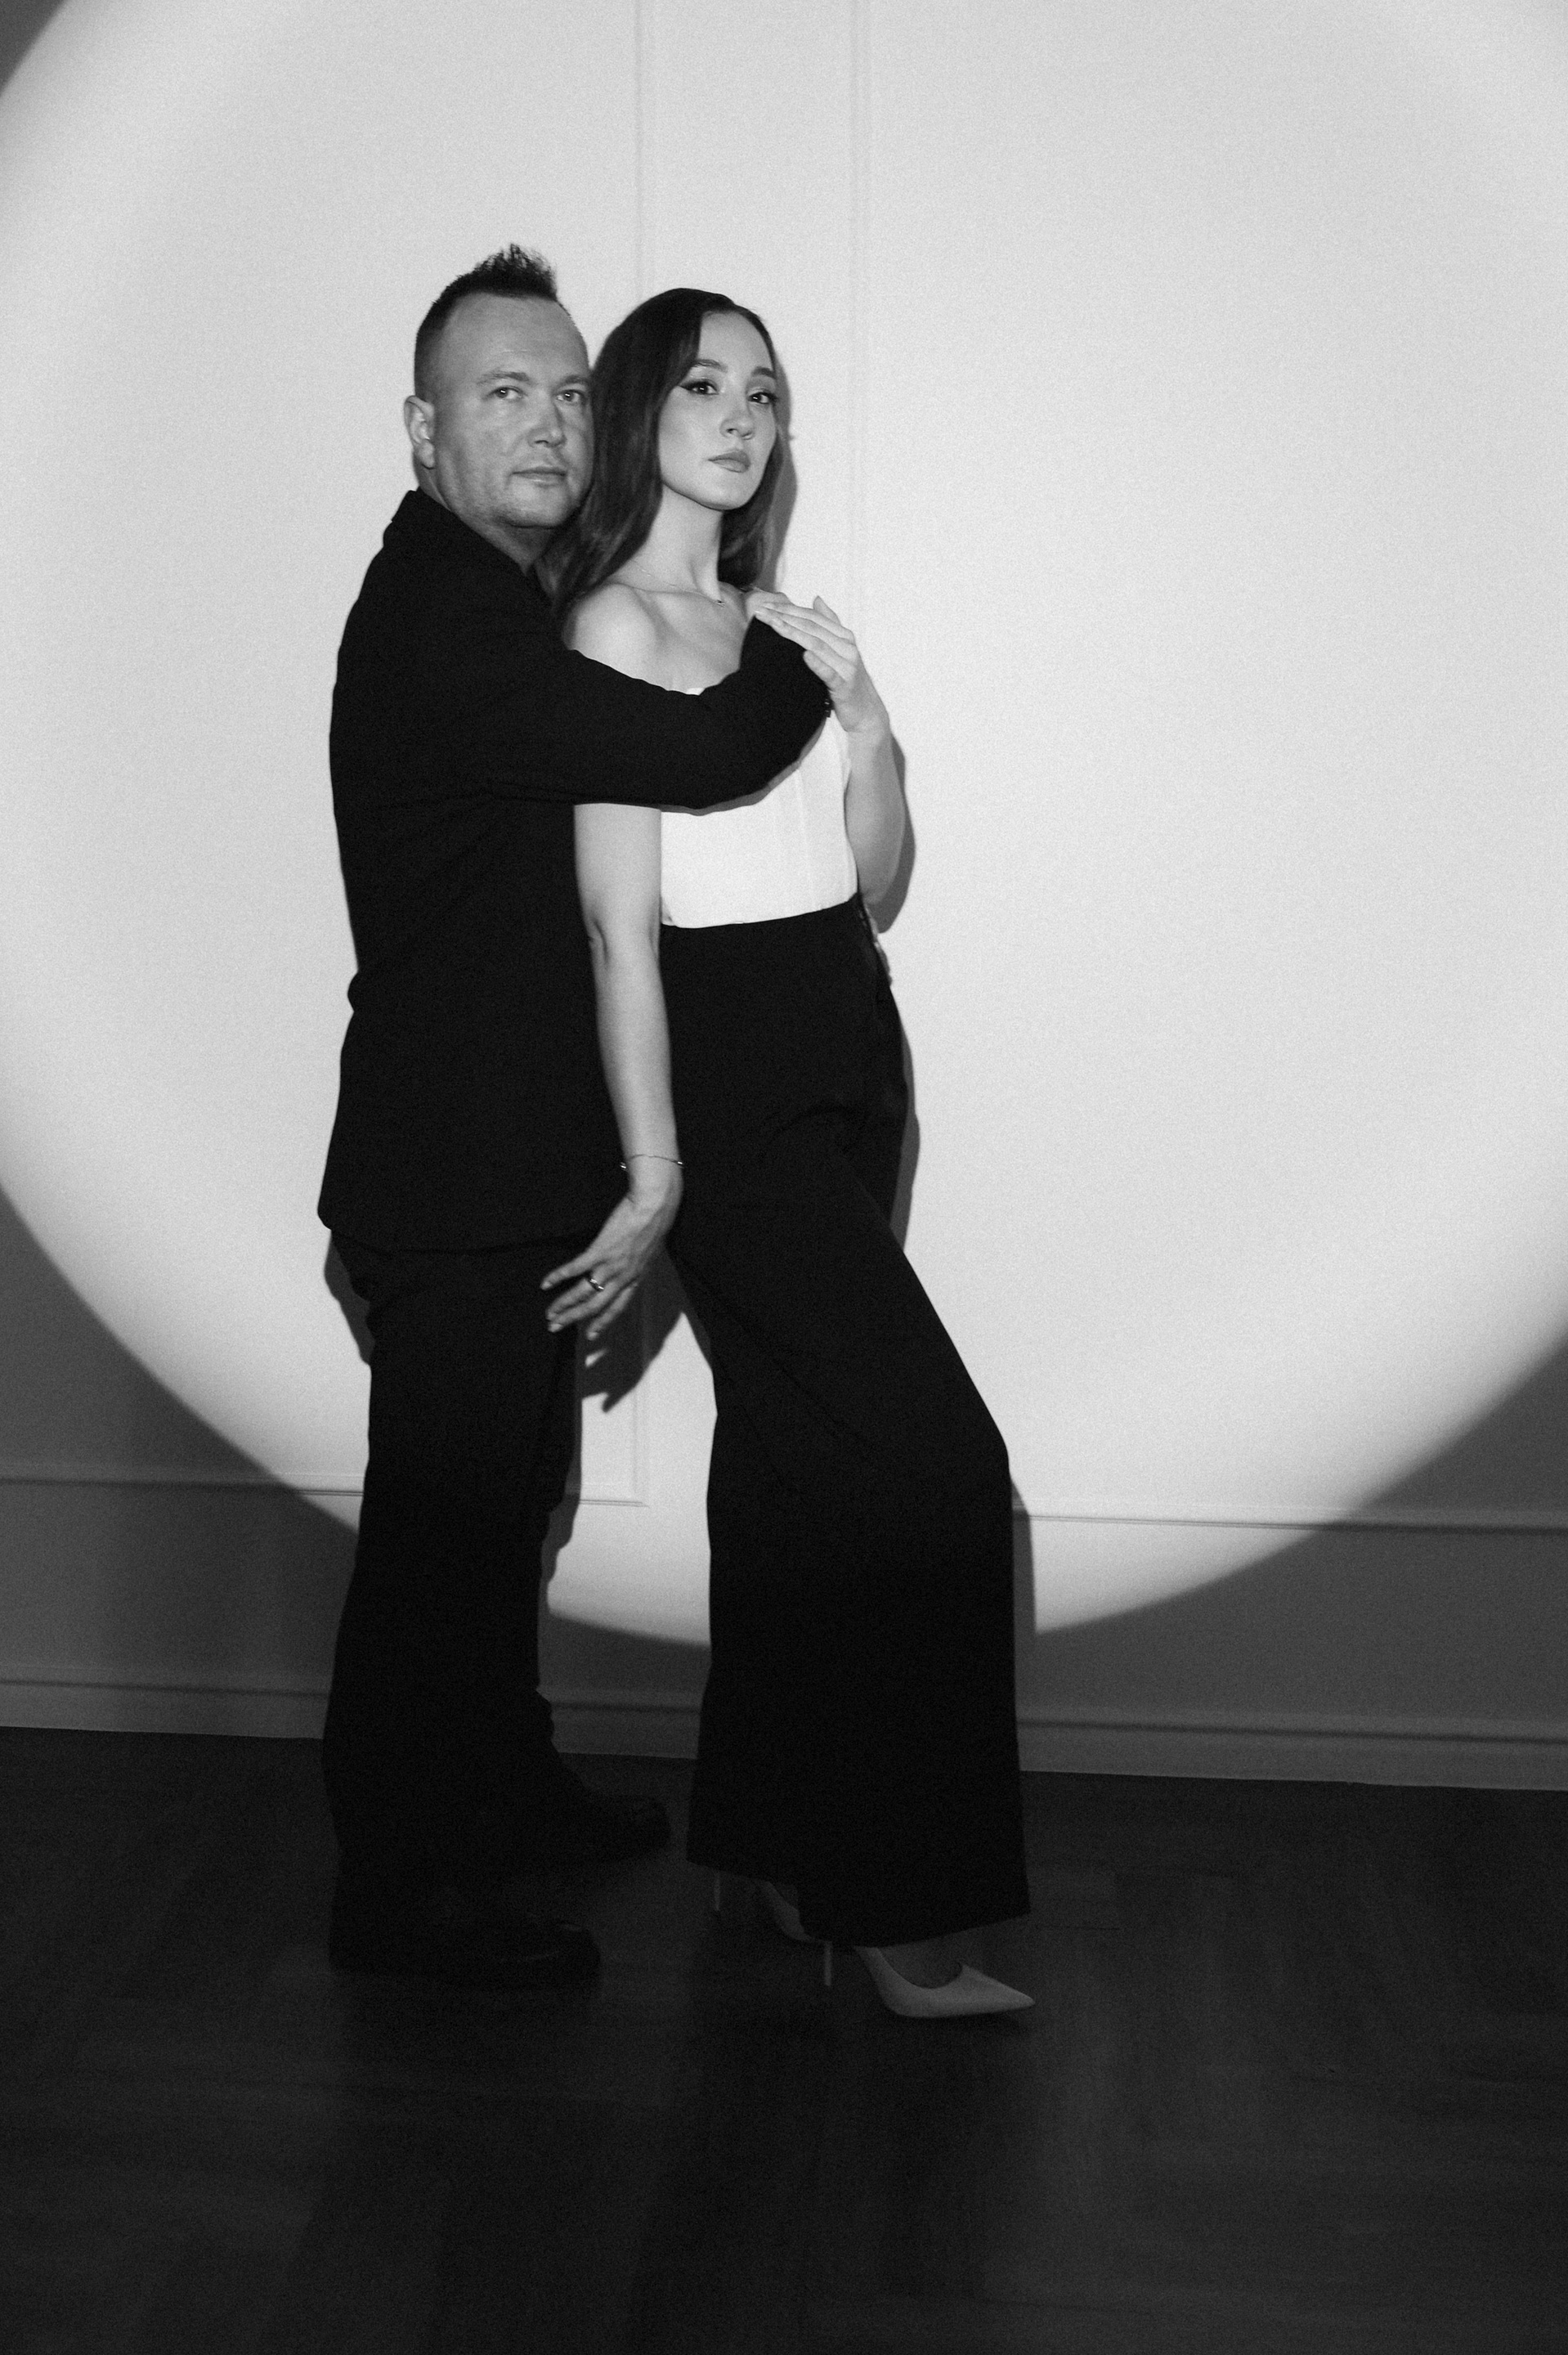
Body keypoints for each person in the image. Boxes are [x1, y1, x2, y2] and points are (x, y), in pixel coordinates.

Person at [318, 248, 828, 1993]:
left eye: (563, 391)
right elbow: (696, 752)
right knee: (438, 1548)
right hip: (449, 1179)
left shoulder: (502, 596)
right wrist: (794, 656)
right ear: (424, 432)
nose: (543, 423)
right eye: (499, 394)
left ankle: (505, 1789)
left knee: (503, 1513)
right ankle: (401, 1900)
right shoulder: (444, 618)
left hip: (501, 1167)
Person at [545, 289, 1031, 2017]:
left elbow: (871, 877)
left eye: (765, 390)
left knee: (793, 1471)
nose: (743, 415)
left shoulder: (785, 627)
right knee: (939, 1471)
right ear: (639, 412)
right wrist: (656, 1167)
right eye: (703, 384)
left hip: (850, 1041)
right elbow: (619, 929)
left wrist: (877, 737)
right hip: (733, 1076)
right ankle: (900, 1910)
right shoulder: (607, 627)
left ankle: (765, 1841)